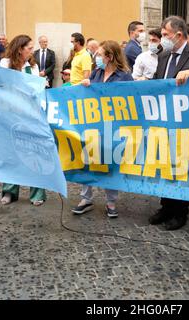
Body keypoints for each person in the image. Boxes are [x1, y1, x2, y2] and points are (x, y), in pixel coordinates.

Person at [148, 16, 189, 231]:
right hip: (164, 121)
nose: (162, 39)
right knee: (164, 166)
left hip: (186, 124)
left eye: (165, 35)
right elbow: (160, 83)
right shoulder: (164, 56)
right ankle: (165, 206)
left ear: (178, 34)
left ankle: (180, 211)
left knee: (182, 167)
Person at [71, 40, 133, 218]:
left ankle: (111, 201)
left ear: (110, 56)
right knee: (88, 160)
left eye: (99, 54)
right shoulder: (96, 73)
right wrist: (85, 86)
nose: (96, 57)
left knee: (110, 162)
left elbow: (132, 100)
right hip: (93, 126)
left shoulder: (124, 76)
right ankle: (86, 198)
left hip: (113, 127)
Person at [0, 35, 47, 207]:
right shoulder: (5, 64)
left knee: (34, 153)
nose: (32, 51)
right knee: (12, 154)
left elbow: (36, 90)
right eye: (29, 47)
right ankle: (9, 191)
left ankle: (37, 193)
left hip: (30, 115)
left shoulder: (32, 67)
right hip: (10, 115)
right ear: (20, 49)